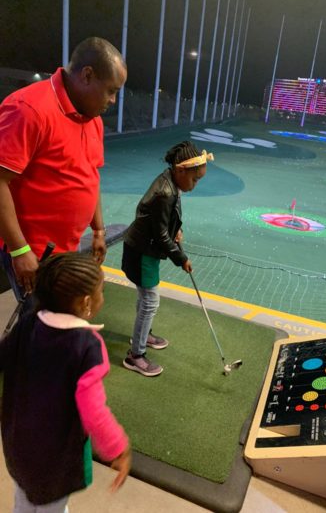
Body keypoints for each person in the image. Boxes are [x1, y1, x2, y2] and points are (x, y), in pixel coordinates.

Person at [0, 252, 131, 512]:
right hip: (54, 455)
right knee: (51, 503)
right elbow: (94, 412)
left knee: (25, 494)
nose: (102, 297)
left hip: (17, 442)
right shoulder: (87, 347)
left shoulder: (28, 323)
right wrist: (118, 448)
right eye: (101, 291)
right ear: (85, 302)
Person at [0, 36, 127, 303]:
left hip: (65, 250)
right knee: (41, 331)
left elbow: (90, 177)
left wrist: (99, 231)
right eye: (111, 90)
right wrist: (19, 250)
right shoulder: (29, 109)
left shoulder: (92, 119)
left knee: (55, 326)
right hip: (34, 253)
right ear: (88, 75)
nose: (114, 100)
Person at [121, 141, 213, 377]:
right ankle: (136, 356)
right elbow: (160, 234)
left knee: (145, 299)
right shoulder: (165, 192)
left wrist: (174, 230)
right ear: (181, 170)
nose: (195, 185)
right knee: (150, 301)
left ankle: (143, 334)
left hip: (144, 249)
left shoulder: (171, 181)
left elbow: (163, 222)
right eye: (195, 179)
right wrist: (181, 257)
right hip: (142, 252)